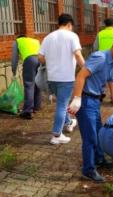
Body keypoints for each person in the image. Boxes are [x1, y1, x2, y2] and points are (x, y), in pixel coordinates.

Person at [68, 36, 113, 183]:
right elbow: (81, 75)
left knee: (99, 132)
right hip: (85, 100)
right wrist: (77, 98)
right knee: (89, 137)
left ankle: (99, 159)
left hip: (95, 101)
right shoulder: (100, 57)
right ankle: (88, 170)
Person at [38, 13, 85, 145]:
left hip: (51, 78)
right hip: (65, 78)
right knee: (62, 105)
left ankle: (69, 122)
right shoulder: (72, 36)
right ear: (69, 24)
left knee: (61, 104)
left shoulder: (48, 37)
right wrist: (87, 70)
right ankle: (57, 135)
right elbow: (78, 55)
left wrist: (52, 60)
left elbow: (40, 58)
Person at [11, 35, 41, 120]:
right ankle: (36, 107)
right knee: (37, 83)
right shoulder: (35, 40)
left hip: (30, 60)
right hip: (40, 60)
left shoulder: (17, 41)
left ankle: (27, 111)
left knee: (29, 85)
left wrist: (13, 70)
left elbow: (14, 57)